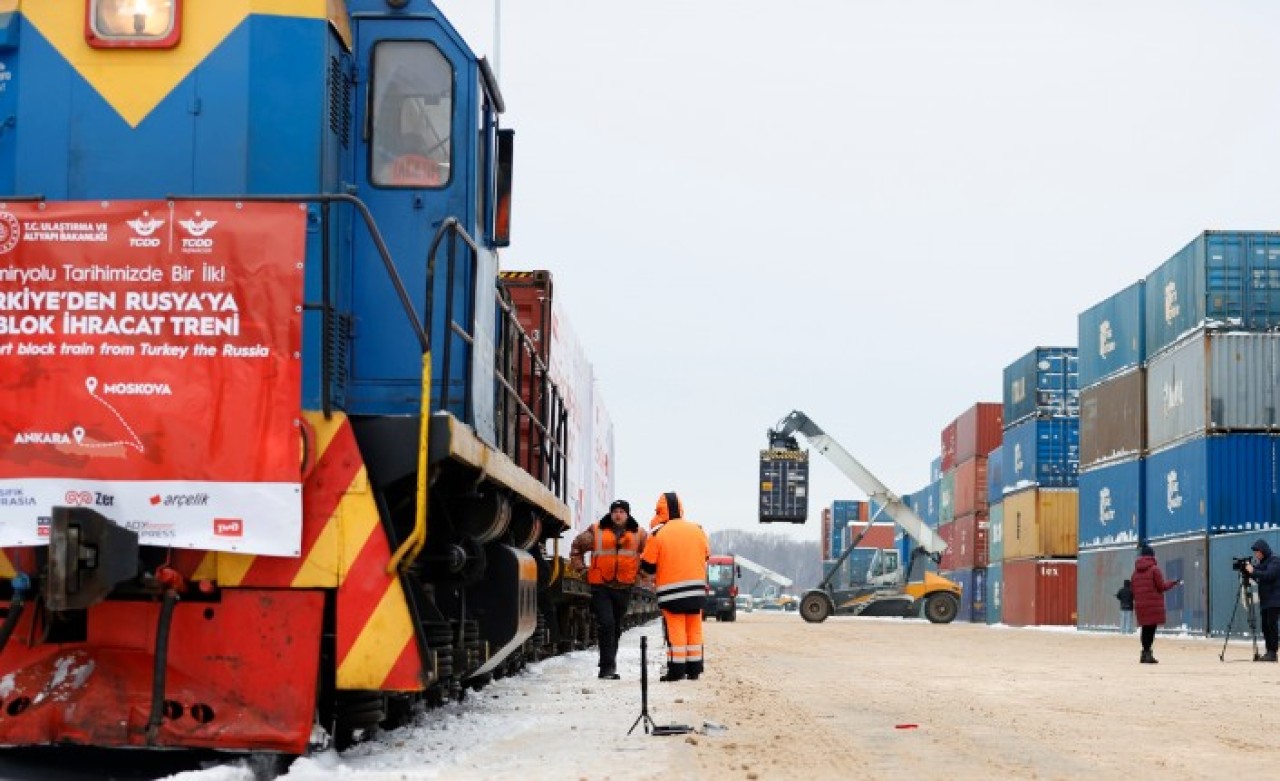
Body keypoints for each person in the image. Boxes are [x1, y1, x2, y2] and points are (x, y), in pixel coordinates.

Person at [570, 499, 647, 680]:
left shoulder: (639, 534)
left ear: (627, 514)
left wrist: (640, 575)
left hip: (624, 587)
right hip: (601, 586)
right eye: (615, 511)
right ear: (611, 514)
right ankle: (606, 668)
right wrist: (581, 570)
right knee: (606, 624)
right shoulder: (596, 530)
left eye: (622, 511)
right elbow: (577, 546)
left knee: (616, 627)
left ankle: (609, 662)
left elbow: (651, 556)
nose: (618, 514)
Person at [639, 492, 710, 682]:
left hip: (671, 593)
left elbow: (647, 565)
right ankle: (694, 669)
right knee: (694, 629)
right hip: (696, 590)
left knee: (676, 630)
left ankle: (676, 671)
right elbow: (706, 556)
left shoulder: (658, 533)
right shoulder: (698, 529)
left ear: (661, 510)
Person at [1131, 544, 1181, 664]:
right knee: (1151, 629)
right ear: (1152, 556)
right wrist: (1173, 583)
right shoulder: (1154, 569)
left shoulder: (1135, 573)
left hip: (1141, 606)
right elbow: (1161, 586)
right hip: (1153, 605)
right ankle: (1148, 654)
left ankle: (1144, 653)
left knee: (1145, 629)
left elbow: (1133, 590)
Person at [1243, 539, 1280, 662]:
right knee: (1265, 626)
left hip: (1274, 600)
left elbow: (1269, 575)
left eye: (1257, 552)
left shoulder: (1275, 560)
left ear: (1263, 551)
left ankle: (1273, 652)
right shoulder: (1263, 563)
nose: (1256, 555)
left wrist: (1253, 571)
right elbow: (1258, 573)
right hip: (1265, 601)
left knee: (1271, 625)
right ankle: (1269, 651)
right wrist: (1247, 571)